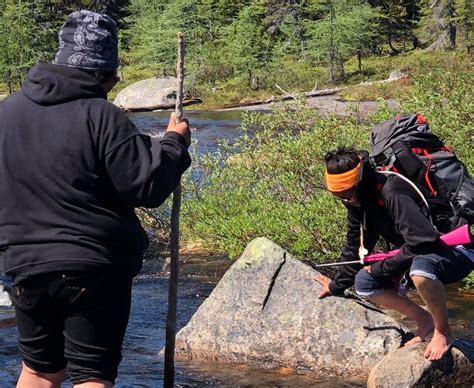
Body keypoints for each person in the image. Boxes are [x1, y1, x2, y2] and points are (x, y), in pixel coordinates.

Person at [0, 10, 191, 388]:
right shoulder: (102, 115)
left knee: (39, 371)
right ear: (104, 71)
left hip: (24, 264)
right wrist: (173, 143)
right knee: (92, 376)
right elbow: (146, 186)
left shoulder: (8, 112)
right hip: (93, 266)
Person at [313, 147, 473, 361]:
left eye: (348, 195)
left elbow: (422, 241)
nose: (347, 202)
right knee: (364, 282)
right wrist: (336, 285)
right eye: (340, 198)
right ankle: (424, 320)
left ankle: (442, 331)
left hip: (456, 248)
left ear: (359, 183)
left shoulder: (392, 192)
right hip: (422, 251)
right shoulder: (361, 201)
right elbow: (355, 245)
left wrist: (384, 267)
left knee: (420, 272)